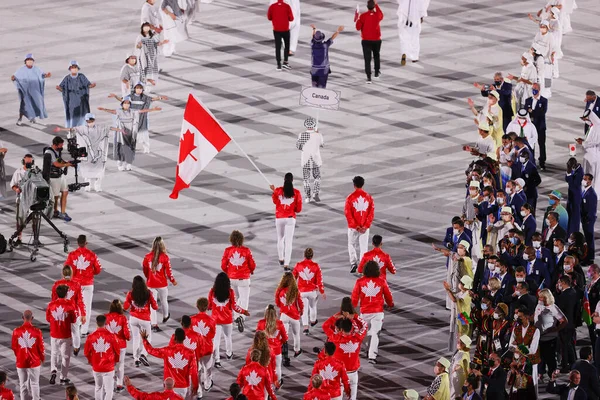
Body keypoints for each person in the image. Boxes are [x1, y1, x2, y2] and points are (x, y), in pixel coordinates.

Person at [97, 97, 161, 171]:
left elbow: (142, 111)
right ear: (122, 104)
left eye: (128, 103)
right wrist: (104, 109)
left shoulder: (133, 111)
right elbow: (112, 111)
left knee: (130, 148)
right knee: (121, 148)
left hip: (130, 132)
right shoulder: (119, 111)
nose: (126, 105)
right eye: (125, 103)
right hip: (121, 133)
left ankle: (128, 164)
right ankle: (120, 163)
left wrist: (153, 109)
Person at [55, 113, 114, 192]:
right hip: (87, 153)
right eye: (88, 121)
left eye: (91, 120)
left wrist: (120, 130)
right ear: (86, 121)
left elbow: (109, 128)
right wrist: (61, 129)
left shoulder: (100, 128)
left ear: (94, 120)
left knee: (98, 170)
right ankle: (88, 185)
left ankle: (97, 186)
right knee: (87, 169)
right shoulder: (82, 129)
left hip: (98, 152)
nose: (90, 122)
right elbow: (72, 129)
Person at [352, 260, 393, 363]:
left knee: (365, 333)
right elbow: (388, 295)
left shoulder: (360, 282)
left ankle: (368, 350)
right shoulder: (381, 281)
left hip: (364, 312)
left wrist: (352, 309)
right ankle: (372, 355)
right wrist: (390, 304)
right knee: (375, 333)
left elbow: (354, 298)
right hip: (377, 312)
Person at [108, 84, 168, 154]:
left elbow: (152, 99)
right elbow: (122, 100)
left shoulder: (144, 97)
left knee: (144, 133)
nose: (139, 90)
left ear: (142, 90)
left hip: (142, 118)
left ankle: (146, 147)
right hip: (132, 118)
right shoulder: (130, 97)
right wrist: (115, 96)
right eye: (137, 88)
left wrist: (160, 98)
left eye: (140, 88)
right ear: (135, 89)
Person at [141, 328, 199, 399]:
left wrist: (144, 339)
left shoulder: (167, 351)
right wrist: (195, 386)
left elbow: (151, 350)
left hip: (170, 388)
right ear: (184, 338)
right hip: (184, 387)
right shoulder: (190, 353)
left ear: (175, 338)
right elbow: (194, 372)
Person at [209, 272, 249, 368]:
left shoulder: (212, 292)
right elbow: (234, 306)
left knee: (216, 341)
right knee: (228, 337)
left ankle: (217, 360)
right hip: (227, 319)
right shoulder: (230, 292)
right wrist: (243, 311)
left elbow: (210, 305)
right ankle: (229, 354)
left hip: (215, 320)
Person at [65, 234, 102, 336]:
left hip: (75, 284)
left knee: (74, 305)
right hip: (88, 284)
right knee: (86, 306)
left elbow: (67, 269)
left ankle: (74, 326)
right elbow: (98, 269)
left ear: (77, 243)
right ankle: (84, 330)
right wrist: (90, 273)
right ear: (86, 243)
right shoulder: (92, 255)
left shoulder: (72, 255)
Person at [323, 317, 367, 400]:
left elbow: (325, 326)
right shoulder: (358, 338)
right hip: (353, 374)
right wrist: (353, 317)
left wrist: (336, 316)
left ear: (341, 329)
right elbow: (364, 325)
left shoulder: (335, 339)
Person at [169, 316, 212, 396]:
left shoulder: (175, 336)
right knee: (196, 380)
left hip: (181, 366)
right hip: (195, 364)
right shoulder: (198, 336)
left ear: (181, 323)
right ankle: (199, 394)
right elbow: (202, 350)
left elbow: (170, 350)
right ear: (190, 324)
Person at [222, 230, 256, 332]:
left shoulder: (227, 250)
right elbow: (252, 264)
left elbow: (223, 265)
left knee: (234, 299)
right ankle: (242, 317)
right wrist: (251, 270)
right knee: (244, 299)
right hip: (244, 279)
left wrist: (229, 272)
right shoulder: (246, 250)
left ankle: (237, 316)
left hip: (231, 279)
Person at [142, 236, 177, 332]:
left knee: (152, 305)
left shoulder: (147, 257)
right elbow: (169, 271)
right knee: (164, 301)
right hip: (162, 283)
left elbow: (145, 270)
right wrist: (173, 280)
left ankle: (154, 324)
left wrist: (148, 277)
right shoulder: (165, 257)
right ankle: (166, 316)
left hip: (151, 284)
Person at [123, 275, 158, 367]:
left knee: (136, 338)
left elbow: (125, 307)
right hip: (145, 319)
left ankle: (136, 359)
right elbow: (155, 307)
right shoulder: (148, 293)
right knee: (147, 338)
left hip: (133, 318)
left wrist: (129, 301)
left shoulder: (130, 294)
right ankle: (143, 354)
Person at [270, 172, 302, 269]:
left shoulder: (278, 191)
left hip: (279, 218)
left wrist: (274, 191)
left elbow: (275, 201)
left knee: (280, 239)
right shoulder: (296, 193)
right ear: (292, 180)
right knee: (289, 242)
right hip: (290, 219)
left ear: (284, 180)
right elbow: (298, 209)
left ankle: (281, 258)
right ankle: (286, 263)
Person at [51, 265, 86, 356]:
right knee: (75, 331)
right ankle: (76, 348)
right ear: (71, 273)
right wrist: (83, 314)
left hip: (61, 312)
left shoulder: (56, 284)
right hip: (74, 312)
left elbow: (54, 300)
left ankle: (60, 350)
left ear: (62, 273)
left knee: (60, 331)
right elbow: (80, 301)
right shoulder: (76, 285)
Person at [46, 285, 77, 385]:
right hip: (65, 334)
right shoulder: (70, 305)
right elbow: (74, 319)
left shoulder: (51, 305)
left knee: (54, 353)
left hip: (54, 333)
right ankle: (63, 377)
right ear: (66, 293)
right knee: (65, 356)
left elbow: (47, 318)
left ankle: (53, 370)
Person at [84, 315, 120, 400]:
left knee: (98, 387)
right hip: (108, 367)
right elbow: (117, 351)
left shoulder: (90, 337)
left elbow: (86, 352)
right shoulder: (111, 336)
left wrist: (90, 361)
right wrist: (116, 361)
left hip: (96, 367)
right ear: (106, 323)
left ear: (96, 323)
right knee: (109, 390)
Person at [11, 310, 44, 400]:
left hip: (21, 362)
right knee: (34, 383)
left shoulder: (16, 331)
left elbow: (14, 347)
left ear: (22, 318)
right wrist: (42, 358)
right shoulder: (37, 332)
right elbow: (41, 348)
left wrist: (18, 356)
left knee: (23, 384)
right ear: (32, 318)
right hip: (34, 362)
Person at [535, 289, 567, 379]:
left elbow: (564, 321)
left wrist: (556, 329)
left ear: (547, 298)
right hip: (539, 337)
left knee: (550, 359)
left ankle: (552, 377)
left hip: (549, 338)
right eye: (539, 297)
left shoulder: (553, 308)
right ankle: (540, 374)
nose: (540, 299)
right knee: (540, 357)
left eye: (542, 297)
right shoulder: (538, 305)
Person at [345, 176, 375, 273]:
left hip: (353, 228)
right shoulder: (368, 197)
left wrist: (355, 225)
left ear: (354, 185)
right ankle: (363, 266)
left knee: (351, 244)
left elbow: (348, 213)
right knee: (363, 247)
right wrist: (366, 225)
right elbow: (371, 213)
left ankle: (353, 263)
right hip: (364, 228)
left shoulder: (350, 198)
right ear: (363, 184)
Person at [11, 54, 50, 125]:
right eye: (28, 60)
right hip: (25, 92)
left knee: (35, 104)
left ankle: (33, 117)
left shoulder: (36, 69)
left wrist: (46, 75)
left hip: (34, 91)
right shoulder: (21, 70)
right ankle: (20, 119)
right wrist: (13, 78)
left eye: (31, 60)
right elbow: (15, 77)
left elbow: (42, 75)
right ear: (25, 61)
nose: (29, 61)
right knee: (24, 105)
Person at [292, 248, 325, 334]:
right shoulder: (316, 266)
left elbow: (293, 278)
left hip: (302, 291)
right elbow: (319, 280)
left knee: (304, 309)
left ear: (304, 255)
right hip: (312, 291)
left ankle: (306, 328)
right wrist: (322, 291)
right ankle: (313, 321)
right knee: (313, 307)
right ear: (312, 256)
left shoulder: (298, 265)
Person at [56, 61, 95, 128]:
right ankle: (72, 132)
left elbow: (88, 85)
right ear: (70, 68)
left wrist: (92, 86)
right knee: (72, 117)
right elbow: (62, 89)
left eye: (75, 67)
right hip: (72, 103)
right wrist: (59, 88)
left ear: (77, 68)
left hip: (81, 102)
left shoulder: (82, 77)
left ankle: (83, 130)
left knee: (82, 116)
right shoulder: (67, 79)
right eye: (72, 67)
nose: (74, 69)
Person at [275, 271, 304, 364]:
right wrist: (301, 311)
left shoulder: (280, 290)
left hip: (284, 315)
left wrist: (282, 307)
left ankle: (285, 356)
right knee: (296, 335)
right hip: (294, 315)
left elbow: (277, 302)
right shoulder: (295, 290)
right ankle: (297, 350)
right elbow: (300, 303)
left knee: (284, 336)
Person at [256, 305, 288, 387]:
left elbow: (257, 337)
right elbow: (285, 337)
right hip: (276, 350)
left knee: (265, 367)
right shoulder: (279, 324)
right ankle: (278, 383)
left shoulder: (261, 323)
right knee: (277, 367)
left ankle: (266, 384)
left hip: (265, 349)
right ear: (275, 313)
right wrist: (279, 343)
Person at [509, 306, 540, 389]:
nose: (517, 318)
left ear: (526, 317)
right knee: (517, 385)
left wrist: (518, 346)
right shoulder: (516, 329)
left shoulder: (535, 330)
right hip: (517, 362)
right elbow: (510, 346)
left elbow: (532, 350)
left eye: (520, 316)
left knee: (530, 386)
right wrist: (523, 347)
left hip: (531, 362)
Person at [44, 136, 74, 221]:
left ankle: (63, 213)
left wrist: (67, 163)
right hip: (53, 177)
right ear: (55, 144)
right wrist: (66, 165)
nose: (62, 147)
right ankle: (55, 211)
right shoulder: (49, 152)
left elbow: (59, 160)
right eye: (60, 145)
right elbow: (56, 164)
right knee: (56, 196)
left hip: (60, 175)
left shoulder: (56, 151)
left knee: (65, 192)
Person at [190, 297, 216, 393]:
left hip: (195, 349)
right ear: (207, 307)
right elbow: (213, 334)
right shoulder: (212, 320)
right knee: (207, 368)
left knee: (197, 369)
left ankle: (199, 390)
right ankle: (207, 384)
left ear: (197, 306)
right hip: (207, 348)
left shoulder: (191, 319)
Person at [104, 299, 131, 393]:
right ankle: (119, 385)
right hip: (121, 345)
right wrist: (128, 337)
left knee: (110, 364)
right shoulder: (123, 318)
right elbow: (127, 333)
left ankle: (109, 384)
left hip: (109, 345)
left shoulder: (105, 317)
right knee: (120, 365)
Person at [9, 154, 35, 246]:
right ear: (23, 162)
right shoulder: (18, 172)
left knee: (35, 219)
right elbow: (13, 184)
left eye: (30, 162)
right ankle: (19, 238)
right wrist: (16, 189)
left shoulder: (35, 172)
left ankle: (35, 239)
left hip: (32, 200)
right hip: (21, 199)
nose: (28, 164)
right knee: (19, 219)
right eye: (27, 162)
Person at [355, 0, 383, 83]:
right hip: (376, 40)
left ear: (367, 7)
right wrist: (376, 4)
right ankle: (377, 72)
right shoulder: (377, 15)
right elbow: (380, 13)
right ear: (374, 7)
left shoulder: (363, 16)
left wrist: (358, 19)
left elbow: (358, 27)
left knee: (367, 59)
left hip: (366, 40)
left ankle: (368, 77)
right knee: (376, 56)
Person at [296, 117, 324, 202]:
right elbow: (322, 145)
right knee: (317, 177)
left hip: (305, 160)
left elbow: (299, 146)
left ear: (305, 125)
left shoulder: (302, 135)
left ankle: (308, 197)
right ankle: (315, 193)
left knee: (306, 179)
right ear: (314, 124)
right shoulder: (318, 135)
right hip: (315, 159)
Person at [136, 23, 169, 90]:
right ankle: (145, 83)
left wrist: (163, 42)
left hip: (152, 55)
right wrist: (139, 45)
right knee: (144, 69)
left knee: (151, 69)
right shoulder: (140, 36)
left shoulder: (152, 36)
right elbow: (137, 46)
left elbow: (156, 44)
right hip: (144, 55)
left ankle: (149, 81)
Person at [557, 275, 580, 372]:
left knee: (564, 345)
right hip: (571, 323)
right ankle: (573, 363)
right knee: (569, 344)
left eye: (559, 283)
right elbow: (577, 309)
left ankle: (565, 366)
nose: (558, 285)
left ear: (563, 283)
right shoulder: (574, 292)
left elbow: (559, 310)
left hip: (564, 324)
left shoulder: (563, 296)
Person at [524, 83, 548, 169]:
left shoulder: (544, 100)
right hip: (530, 127)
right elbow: (525, 112)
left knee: (541, 144)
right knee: (531, 144)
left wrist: (532, 111)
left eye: (535, 88)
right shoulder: (528, 100)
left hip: (540, 127)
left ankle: (542, 162)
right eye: (533, 88)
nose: (534, 90)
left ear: (539, 89)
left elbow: (542, 113)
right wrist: (532, 112)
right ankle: (531, 160)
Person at [396, 0, 428, 65]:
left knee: (403, 37)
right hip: (415, 17)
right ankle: (414, 57)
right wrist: (422, 16)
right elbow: (423, 4)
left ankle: (404, 53)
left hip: (403, 16)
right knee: (415, 37)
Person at [267, 0, 294, 71]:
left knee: (278, 47)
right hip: (285, 29)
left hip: (276, 30)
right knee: (287, 46)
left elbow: (269, 17)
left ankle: (278, 64)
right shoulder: (287, 6)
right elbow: (291, 18)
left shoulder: (272, 7)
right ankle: (285, 62)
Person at [577, 110, 600, 191]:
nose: (585, 121)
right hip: (588, 155)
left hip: (594, 156)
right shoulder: (592, 126)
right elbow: (590, 139)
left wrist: (583, 143)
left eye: (586, 119)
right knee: (587, 174)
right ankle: (586, 191)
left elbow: (596, 141)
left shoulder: (598, 128)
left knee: (592, 175)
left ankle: (593, 192)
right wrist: (583, 141)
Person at [581, 174, 597, 265]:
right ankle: (587, 256)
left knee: (590, 239)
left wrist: (587, 220)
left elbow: (592, 209)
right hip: (585, 219)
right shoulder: (585, 191)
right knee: (587, 239)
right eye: (583, 179)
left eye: (585, 179)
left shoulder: (591, 194)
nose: (583, 181)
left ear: (590, 181)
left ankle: (590, 259)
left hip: (588, 220)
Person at [566, 158, 584, 235]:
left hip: (576, 197)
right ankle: (568, 233)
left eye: (570, 166)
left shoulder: (580, 172)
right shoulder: (572, 169)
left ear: (574, 164)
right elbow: (567, 179)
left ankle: (574, 234)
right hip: (570, 195)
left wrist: (569, 172)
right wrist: (568, 172)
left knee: (575, 217)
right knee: (569, 214)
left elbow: (573, 184)